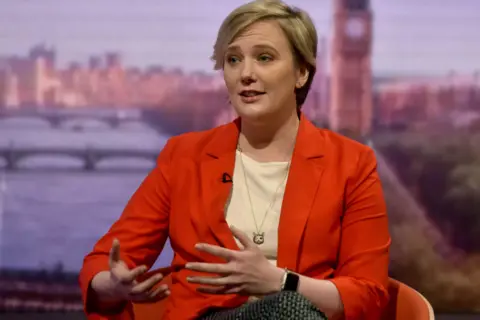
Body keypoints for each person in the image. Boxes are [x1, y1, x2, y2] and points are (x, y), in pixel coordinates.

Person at [79, 1, 391, 319]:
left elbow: (369, 295)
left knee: (291, 307)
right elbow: (106, 261)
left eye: (264, 58)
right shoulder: (184, 157)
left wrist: (281, 282)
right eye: (233, 59)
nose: (245, 74)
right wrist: (111, 285)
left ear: (301, 73)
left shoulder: (352, 163)